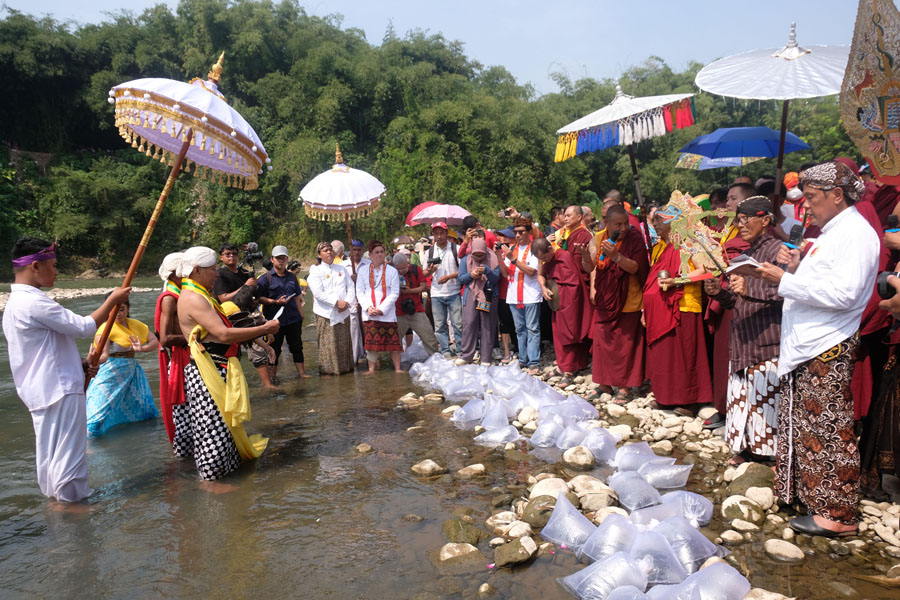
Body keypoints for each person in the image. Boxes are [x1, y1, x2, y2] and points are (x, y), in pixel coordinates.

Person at [756, 161, 879, 536]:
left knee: (828, 427)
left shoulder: (856, 233)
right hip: (810, 343)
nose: (805, 206)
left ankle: (838, 514)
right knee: (807, 425)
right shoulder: (832, 232)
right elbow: (824, 281)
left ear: (836, 195)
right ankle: (811, 497)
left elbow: (845, 294)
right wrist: (797, 267)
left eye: (810, 197)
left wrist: (784, 280)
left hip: (827, 344)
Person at [2, 237, 131, 502]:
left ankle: (57, 505)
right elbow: (83, 327)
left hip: (42, 389)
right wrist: (112, 302)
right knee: (70, 455)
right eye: (53, 265)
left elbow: (41, 350)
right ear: (35, 266)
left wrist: (79, 364)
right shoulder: (34, 302)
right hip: (59, 389)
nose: (57, 271)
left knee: (51, 454)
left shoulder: (15, 303)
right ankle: (74, 507)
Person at [174, 246, 279, 480]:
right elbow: (223, 334)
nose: (216, 274)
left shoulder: (201, 294)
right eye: (212, 270)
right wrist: (265, 328)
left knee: (223, 425)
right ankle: (211, 480)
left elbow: (229, 326)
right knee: (211, 428)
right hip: (208, 370)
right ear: (197, 270)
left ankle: (224, 474)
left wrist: (263, 342)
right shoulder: (193, 298)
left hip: (216, 366)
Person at [703, 197, 784, 464]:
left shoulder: (778, 251)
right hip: (743, 338)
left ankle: (768, 456)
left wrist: (749, 288)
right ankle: (748, 448)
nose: (741, 224)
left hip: (766, 337)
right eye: (739, 219)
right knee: (744, 396)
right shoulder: (746, 255)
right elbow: (736, 301)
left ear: (766, 219)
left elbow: (786, 291)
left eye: (747, 218)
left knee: (765, 397)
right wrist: (719, 293)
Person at [643, 205, 713, 416]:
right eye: (655, 220)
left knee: (685, 355)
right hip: (662, 307)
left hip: (685, 304)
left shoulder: (689, 242)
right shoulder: (662, 247)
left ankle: (690, 401)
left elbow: (705, 272)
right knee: (666, 355)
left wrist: (676, 281)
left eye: (659, 219)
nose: (655, 224)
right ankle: (666, 397)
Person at [584, 204, 650, 403]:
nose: (623, 228)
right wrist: (585, 258)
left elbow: (636, 267)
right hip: (605, 298)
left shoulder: (634, 238)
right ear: (607, 223)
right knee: (602, 343)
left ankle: (624, 387)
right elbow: (590, 266)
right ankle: (604, 384)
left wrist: (616, 256)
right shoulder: (598, 238)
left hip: (628, 299)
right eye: (618, 224)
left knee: (625, 346)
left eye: (625, 223)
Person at [85, 294, 159, 436]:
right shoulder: (105, 329)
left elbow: (154, 341)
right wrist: (93, 358)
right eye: (114, 310)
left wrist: (141, 349)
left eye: (121, 309)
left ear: (128, 309)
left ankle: (137, 437)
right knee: (99, 412)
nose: (118, 314)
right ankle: (89, 439)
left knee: (141, 408)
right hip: (111, 372)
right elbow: (104, 355)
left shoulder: (134, 325)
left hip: (131, 371)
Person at [534, 238, 592, 382]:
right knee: (559, 333)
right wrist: (545, 288)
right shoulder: (549, 259)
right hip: (558, 302)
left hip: (569, 302)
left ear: (550, 249)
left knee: (569, 333)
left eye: (544, 257)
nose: (544, 261)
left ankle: (569, 370)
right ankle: (562, 365)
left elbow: (574, 284)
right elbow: (542, 275)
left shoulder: (564, 257)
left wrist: (562, 299)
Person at [256, 245, 309, 379]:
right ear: (272, 259)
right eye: (278, 258)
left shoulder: (292, 277)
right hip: (274, 321)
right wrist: (275, 301)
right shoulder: (265, 278)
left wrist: (301, 313)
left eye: (283, 258)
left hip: (293, 318)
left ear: (287, 259)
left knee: (297, 347)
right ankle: (272, 378)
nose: (281, 260)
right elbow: (259, 298)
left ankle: (302, 374)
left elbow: (296, 296)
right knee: (274, 349)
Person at [155, 252, 190, 443]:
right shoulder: (169, 299)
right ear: (174, 274)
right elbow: (165, 338)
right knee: (185, 407)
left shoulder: (180, 293)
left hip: (185, 355)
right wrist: (194, 338)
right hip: (181, 359)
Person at [500, 216, 542, 374]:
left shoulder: (534, 248)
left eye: (521, 232)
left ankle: (534, 362)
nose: (517, 235)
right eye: (515, 232)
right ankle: (523, 359)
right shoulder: (512, 249)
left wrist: (513, 260)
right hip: (513, 295)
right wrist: (499, 256)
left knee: (532, 329)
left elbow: (531, 271)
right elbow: (505, 273)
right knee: (519, 330)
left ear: (529, 232)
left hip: (530, 295)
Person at [307, 241, 355, 375]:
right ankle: (328, 372)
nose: (329, 252)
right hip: (325, 313)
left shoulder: (341, 269)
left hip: (344, 312)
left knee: (344, 342)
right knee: (328, 344)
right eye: (325, 250)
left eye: (330, 249)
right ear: (319, 255)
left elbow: (351, 287)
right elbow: (318, 293)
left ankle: (346, 370)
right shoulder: (315, 271)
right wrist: (336, 303)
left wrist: (347, 302)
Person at [357, 241, 403, 373]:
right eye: (376, 252)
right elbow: (359, 292)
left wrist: (381, 309)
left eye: (382, 252)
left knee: (394, 344)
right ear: (370, 255)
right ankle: (371, 369)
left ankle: (397, 369)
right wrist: (368, 307)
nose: (380, 255)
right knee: (371, 345)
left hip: (387, 313)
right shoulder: (363, 271)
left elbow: (394, 293)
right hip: (369, 313)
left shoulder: (392, 271)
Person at [457, 238, 501, 365]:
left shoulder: (493, 259)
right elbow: (461, 278)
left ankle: (486, 358)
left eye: (481, 255)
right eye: (475, 255)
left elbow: (496, 278)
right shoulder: (465, 260)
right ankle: (466, 355)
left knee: (487, 325)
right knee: (469, 323)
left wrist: (487, 271)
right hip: (471, 293)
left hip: (488, 294)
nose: (478, 258)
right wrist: (471, 275)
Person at [424, 222, 462, 357]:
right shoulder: (429, 252)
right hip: (436, 293)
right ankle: (445, 350)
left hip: (454, 291)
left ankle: (460, 349)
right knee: (439, 326)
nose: (439, 236)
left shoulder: (456, 249)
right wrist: (430, 271)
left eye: (441, 233)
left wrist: (449, 277)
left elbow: (463, 270)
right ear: (433, 235)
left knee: (458, 324)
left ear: (447, 233)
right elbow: (424, 273)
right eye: (436, 234)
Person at [391, 252, 440, 356]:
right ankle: (393, 360)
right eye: (398, 269)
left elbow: (424, 286)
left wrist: (410, 291)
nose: (401, 271)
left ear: (407, 263)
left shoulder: (415, 269)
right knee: (394, 339)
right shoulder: (391, 272)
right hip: (398, 312)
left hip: (416, 309)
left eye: (403, 268)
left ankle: (435, 357)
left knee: (428, 336)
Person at [494, 227, 518, 363]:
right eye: (502, 237)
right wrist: (497, 255)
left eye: (506, 237)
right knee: (504, 324)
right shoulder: (499, 252)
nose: (503, 240)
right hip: (503, 293)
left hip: (516, 292)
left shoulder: (519, 251)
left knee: (518, 324)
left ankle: (519, 348)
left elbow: (507, 272)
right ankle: (507, 352)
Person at [347, 239, 371, 365]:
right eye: (354, 250)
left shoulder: (369, 264)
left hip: (366, 302)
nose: (356, 252)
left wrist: (360, 279)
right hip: (351, 303)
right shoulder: (344, 266)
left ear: (363, 250)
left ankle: (370, 356)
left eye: (359, 250)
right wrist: (350, 279)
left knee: (367, 329)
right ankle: (354, 359)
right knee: (354, 332)